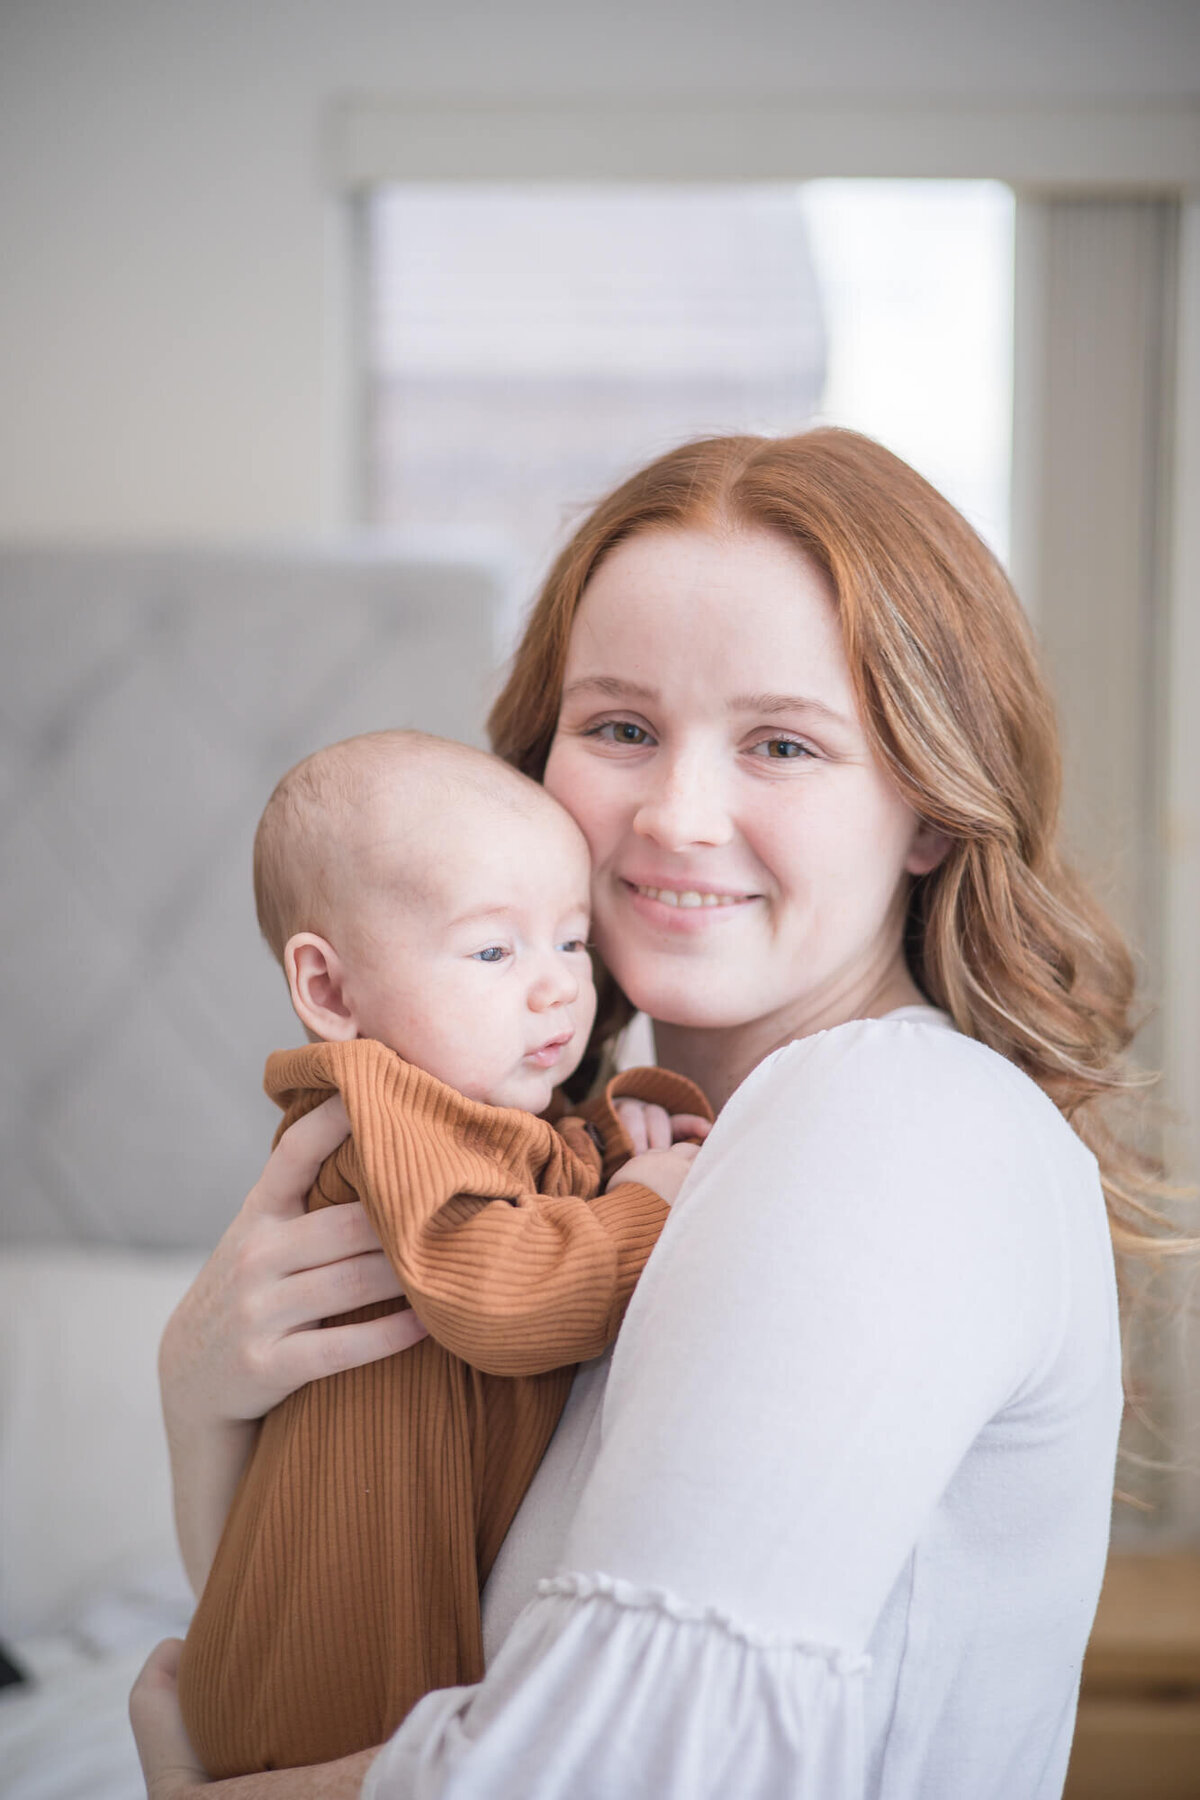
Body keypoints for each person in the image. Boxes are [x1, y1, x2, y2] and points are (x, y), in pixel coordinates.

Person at [133, 426, 1166, 1800]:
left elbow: (612, 1769)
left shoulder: (893, 1119)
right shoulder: (597, 1172)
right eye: (620, 727)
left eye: (783, 744)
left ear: (927, 806)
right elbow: (331, 1634)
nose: (675, 814)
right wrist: (201, 1397)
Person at [176, 729, 710, 1775]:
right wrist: (643, 1209)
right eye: (492, 952)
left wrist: (616, 1139)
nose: (557, 986)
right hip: (328, 1677)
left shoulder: (473, 1116)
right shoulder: (381, 1108)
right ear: (332, 993)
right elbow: (502, 1294)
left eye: (570, 940)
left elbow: (534, 1186)